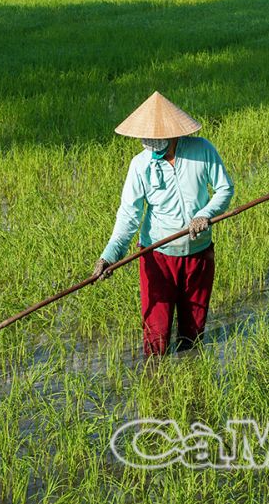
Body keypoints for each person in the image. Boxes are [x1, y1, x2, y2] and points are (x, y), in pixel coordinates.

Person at [92, 91, 234, 357]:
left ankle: (191, 381)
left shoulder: (202, 150)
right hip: (157, 257)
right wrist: (109, 255)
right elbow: (129, 216)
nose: (149, 142)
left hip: (198, 255)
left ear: (173, 133)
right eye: (146, 137)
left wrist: (205, 213)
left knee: (193, 333)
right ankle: (157, 388)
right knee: (156, 336)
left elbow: (225, 188)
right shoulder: (140, 166)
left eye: (156, 137)